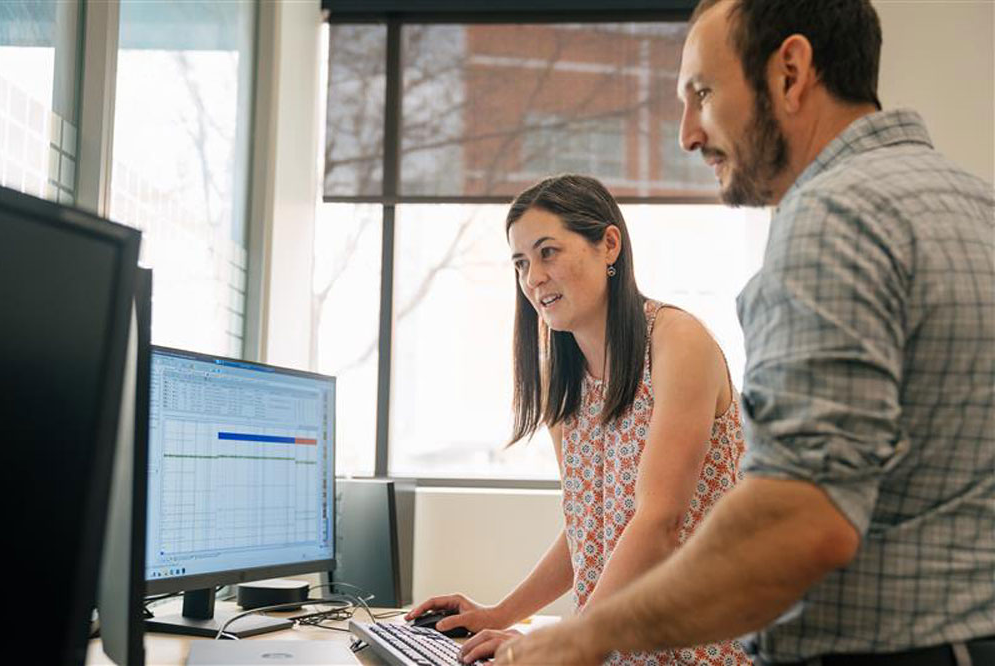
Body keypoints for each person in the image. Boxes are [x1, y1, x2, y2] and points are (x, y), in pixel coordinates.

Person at [493, 1, 995, 665]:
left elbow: (799, 519)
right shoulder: (974, 203)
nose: (688, 135)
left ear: (790, 72)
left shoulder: (834, 218)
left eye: (702, 92)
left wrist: (588, 634)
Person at [405, 173, 751, 666]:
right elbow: (586, 527)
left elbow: (659, 520)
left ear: (609, 245)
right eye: (521, 263)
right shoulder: (559, 379)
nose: (533, 278)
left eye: (548, 252)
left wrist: (566, 639)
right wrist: (500, 612)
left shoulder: (678, 342)